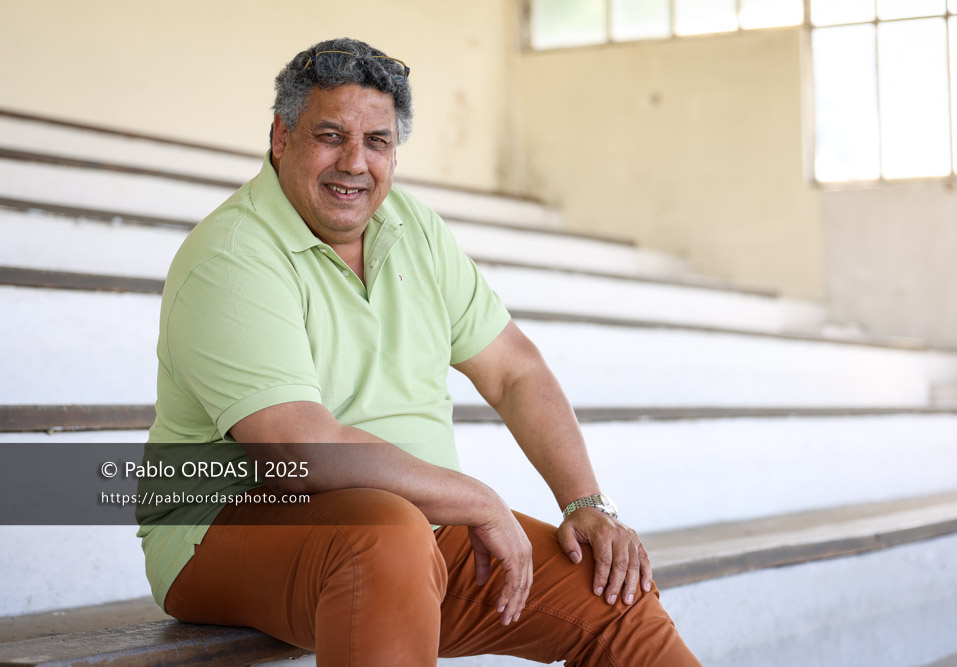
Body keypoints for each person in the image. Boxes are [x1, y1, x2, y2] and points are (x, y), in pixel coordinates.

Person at [137, 37, 701, 666]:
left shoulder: (412, 228)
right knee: (385, 535)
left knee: (614, 601)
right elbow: (297, 447)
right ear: (281, 137)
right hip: (224, 534)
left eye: (377, 142)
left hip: (415, 532)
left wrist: (585, 503)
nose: (354, 162)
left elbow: (515, 371)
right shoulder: (233, 254)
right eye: (330, 135)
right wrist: (478, 500)